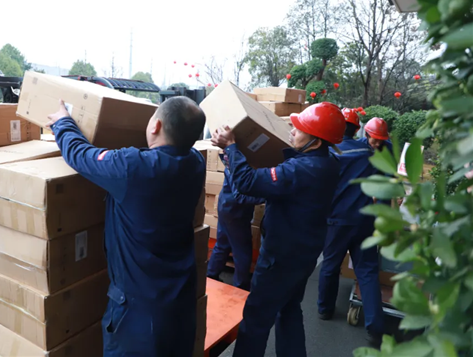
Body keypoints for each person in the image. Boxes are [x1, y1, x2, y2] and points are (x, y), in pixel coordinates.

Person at [47, 96, 206, 357]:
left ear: (155, 126)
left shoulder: (133, 168)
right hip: (181, 305)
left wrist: (63, 122)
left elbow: (79, 154)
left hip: (139, 317)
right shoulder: (196, 163)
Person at [211, 102, 345, 357]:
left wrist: (231, 147)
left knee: (256, 318)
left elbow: (248, 182)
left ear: (316, 141)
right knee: (289, 309)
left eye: (300, 129)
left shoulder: (300, 170)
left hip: (280, 257)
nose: (292, 131)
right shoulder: (329, 162)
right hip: (304, 253)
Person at [317, 108, 385, 346]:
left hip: (337, 220)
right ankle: (375, 327)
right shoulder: (369, 153)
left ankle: (325, 309)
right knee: (367, 272)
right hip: (364, 220)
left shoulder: (330, 152)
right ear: (358, 130)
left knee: (330, 266)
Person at [207, 154, 265, 290]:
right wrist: (265, 197)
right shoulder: (238, 163)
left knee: (222, 244)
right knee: (242, 251)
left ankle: (211, 275)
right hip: (236, 212)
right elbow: (240, 196)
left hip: (227, 206)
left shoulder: (232, 158)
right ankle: (241, 285)